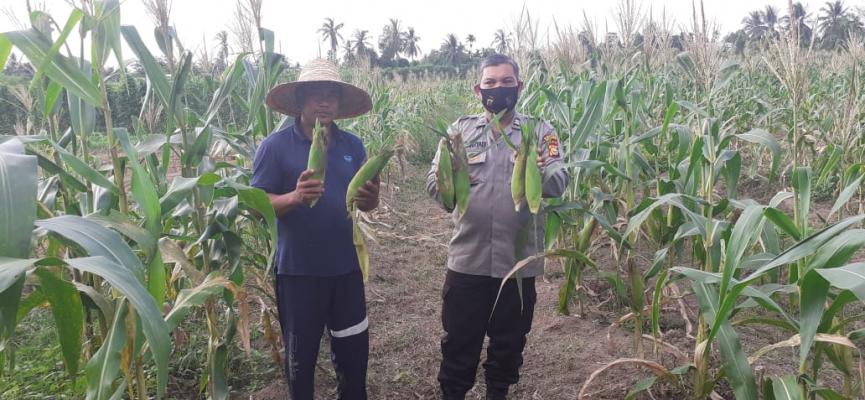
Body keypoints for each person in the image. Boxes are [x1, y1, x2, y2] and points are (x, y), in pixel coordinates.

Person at [426, 54, 570, 400]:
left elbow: (560, 180)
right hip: (468, 259)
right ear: (478, 90)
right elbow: (434, 184)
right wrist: (450, 174)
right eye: (490, 83)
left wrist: (541, 169)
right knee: (459, 340)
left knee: (508, 343)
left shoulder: (540, 131)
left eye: (507, 82)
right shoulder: (459, 132)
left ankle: (497, 393)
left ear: (519, 87)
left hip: (517, 264)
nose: (498, 89)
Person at [252, 58, 379, 400]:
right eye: (315, 94)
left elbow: (364, 204)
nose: (324, 101)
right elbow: (256, 202)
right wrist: (294, 197)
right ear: (300, 100)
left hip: (346, 269)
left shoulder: (353, 146)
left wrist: (371, 198)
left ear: (339, 103)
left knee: (354, 359)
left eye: (331, 95)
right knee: (301, 363)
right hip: (299, 273)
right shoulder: (275, 147)